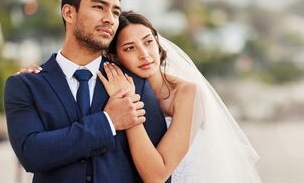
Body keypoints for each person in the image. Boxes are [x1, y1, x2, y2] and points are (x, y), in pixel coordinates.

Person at [24, 11, 262, 182]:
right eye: (130, 48)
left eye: (148, 42)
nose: (144, 54)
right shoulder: (107, 85)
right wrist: (38, 75)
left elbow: (157, 176)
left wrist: (129, 106)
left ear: (158, 44)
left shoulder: (187, 93)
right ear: (115, 57)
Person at [4, 0, 168, 183]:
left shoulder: (135, 84)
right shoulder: (25, 85)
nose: (110, 18)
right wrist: (108, 122)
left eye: (115, 12)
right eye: (99, 7)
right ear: (69, 12)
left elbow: (157, 174)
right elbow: (32, 154)